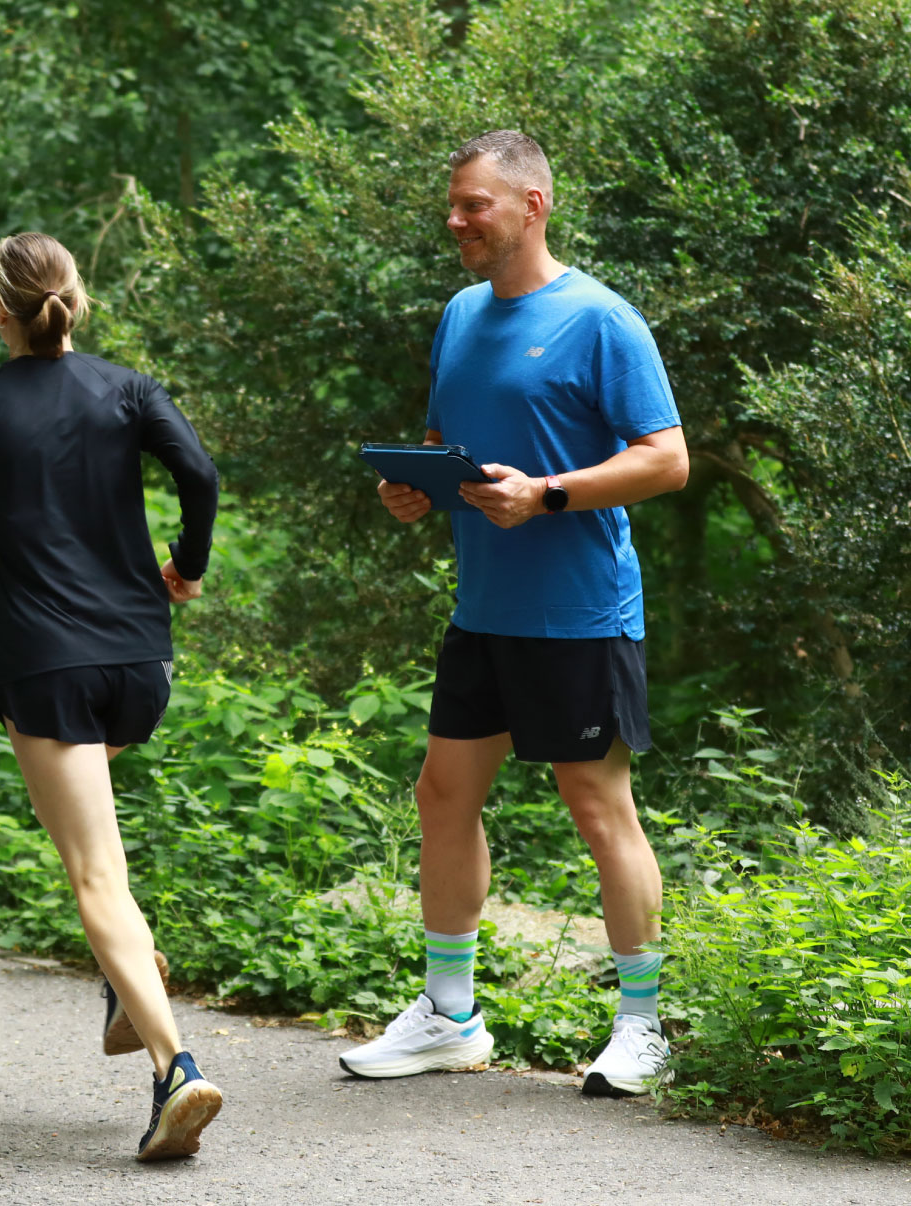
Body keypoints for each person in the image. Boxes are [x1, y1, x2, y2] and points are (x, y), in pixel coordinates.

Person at [341, 131, 689, 1097]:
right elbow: (447, 438)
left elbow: (667, 458)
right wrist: (416, 486)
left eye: (473, 206)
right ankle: (451, 1017)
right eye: (452, 205)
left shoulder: (601, 319)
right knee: (443, 796)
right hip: (483, 609)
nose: (454, 220)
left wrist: (550, 494)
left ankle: (643, 1026)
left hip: (579, 611)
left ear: (532, 204)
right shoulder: (459, 313)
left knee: (596, 805)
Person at [0, 232, 224, 1160]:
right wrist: (186, 566)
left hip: (47, 665)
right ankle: (122, 979)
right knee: (99, 854)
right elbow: (202, 475)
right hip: (140, 665)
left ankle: (176, 1068)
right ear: (75, 300)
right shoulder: (128, 389)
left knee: (94, 875)